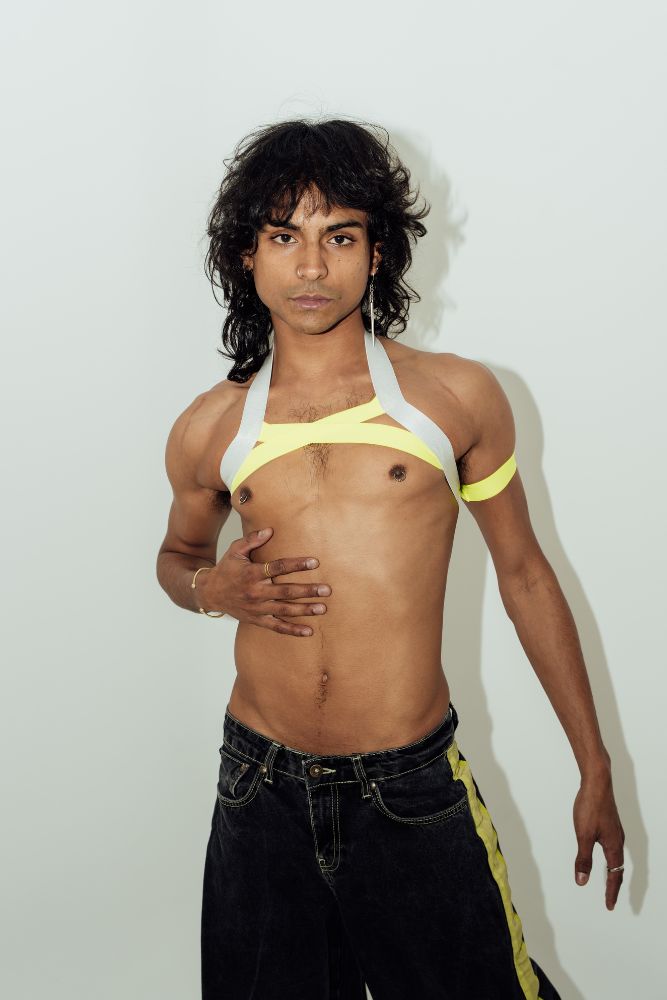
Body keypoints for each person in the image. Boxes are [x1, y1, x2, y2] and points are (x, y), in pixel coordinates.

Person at [156, 118, 624, 1000]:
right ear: (247, 256)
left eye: (339, 237)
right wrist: (211, 585)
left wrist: (594, 763)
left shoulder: (452, 398)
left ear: (377, 254)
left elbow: (525, 575)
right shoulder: (211, 426)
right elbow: (177, 557)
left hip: (406, 786)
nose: (310, 266)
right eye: (283, 237)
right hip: (257, 785)